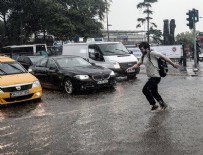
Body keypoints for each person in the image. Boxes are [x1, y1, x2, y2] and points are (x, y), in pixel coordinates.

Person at [127, 42, 179, 111]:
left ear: (147, 48)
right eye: (140, 49)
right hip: (151, 77)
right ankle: (163, 105)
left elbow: (164, 57)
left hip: (156, 76)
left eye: (142, 49)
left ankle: (154, 105)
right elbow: (138, 64)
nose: (141, 51)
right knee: (154, 92)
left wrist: (173, 64)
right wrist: (132, 68)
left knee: (145, 90)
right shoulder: (143, 56)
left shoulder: (152, 53)